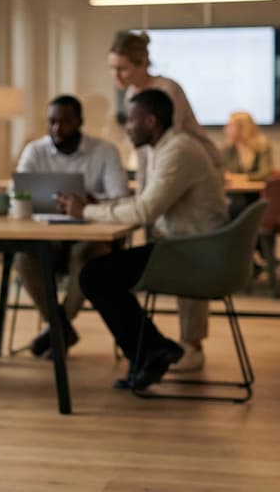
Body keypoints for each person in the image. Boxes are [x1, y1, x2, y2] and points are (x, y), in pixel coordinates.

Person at [58, 89, 227, 391]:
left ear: (150, 121)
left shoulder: (178, 152)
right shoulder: (166, 148)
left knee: (96, 275)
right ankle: (150, 351)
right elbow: (143, 204)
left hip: (193, 253)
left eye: (131, 120)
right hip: (186, 248)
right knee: (99, 273)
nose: (126, 127)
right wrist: (100, 206)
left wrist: (87, 210)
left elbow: (145, 211)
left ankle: (150, 351)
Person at [108, 30, 221, 372]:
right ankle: (151, 344)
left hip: (186, 179)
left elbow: (169, 146)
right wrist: (142, 200)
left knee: (187, 249)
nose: (117, 77)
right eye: (113, 69)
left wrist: (147, 201)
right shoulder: (133, 92)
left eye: (123, 69)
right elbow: (144, 156)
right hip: (163, 178)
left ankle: (192, 343)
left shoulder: (166, 90)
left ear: (143, 63)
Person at [12, 94, 128, 357]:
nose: (57, 129)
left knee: (85, 255)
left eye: (64, 122)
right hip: (47, 237)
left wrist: (89, 203)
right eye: (51, 122)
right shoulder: (35, 150)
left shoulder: (105, 151)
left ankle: (57, 329)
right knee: (23, 258)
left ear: (80, 122)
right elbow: (15, 192)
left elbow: (120, 197)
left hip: (91, 237)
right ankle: (61, 329)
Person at [222, 110, 274, 219]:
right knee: (235, 204)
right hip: (235, 194)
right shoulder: (227, 149)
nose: (226, 129)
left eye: (230, 126)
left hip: (258, 194)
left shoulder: (262, 146)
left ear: (242, 128)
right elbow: (223, 172)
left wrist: (242, 178)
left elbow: (265, 173)